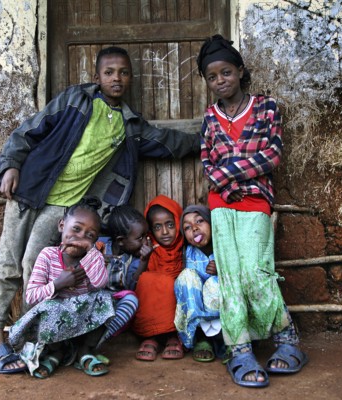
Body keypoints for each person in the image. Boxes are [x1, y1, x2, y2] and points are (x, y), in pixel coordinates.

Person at [0, 45, 200, 373]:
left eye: (124, 73)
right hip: (30, 188)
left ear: (130, 79)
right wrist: (10, 164)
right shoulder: (74, 101)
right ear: (96, 77)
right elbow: (30, 129)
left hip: (63, 209)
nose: (117, 78)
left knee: (32, 265)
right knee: (7, 262)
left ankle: (33, 340)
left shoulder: (129, 125)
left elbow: (169, 141)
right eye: (109, 72)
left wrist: (205, 138)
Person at [196, 35, 308, 388]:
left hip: (256, 202)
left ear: (240, 71)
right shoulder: (210, 118)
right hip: (221, 205)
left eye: (226, 72)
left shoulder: (266, 108)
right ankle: (239, 350)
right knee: (231, 276)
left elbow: (271, 155)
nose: (220, 81)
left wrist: (227, 176)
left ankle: (287, 340)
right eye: (212, 77)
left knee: (257, 273)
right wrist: (230, 179)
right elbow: (206, 162)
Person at [8, 196, 114, 378]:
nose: (81, 237)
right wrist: (58, 284)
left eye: (90, 235)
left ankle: (84, 351)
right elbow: (31, 296)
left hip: (81, 324)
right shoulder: (47, 256)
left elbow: (100, 283)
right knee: (48, 307)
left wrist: (91, 251)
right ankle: (56, 352)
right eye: (76, 229)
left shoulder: (92, 258)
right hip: (54, 327)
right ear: (61, 225)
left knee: (105, 297)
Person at [132, 195, 185, 361]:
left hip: (177, 318)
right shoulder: (149, 251)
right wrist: (144, 260)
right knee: (147, 280)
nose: (165, 232)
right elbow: (133, 282)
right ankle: (151, 336)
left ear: (178, 222)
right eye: (157, 227)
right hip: (152, 316)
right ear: (151, 230)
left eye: (170, 225)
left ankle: (173, 336)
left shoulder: (186, 247)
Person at [95, 204, 153, 348]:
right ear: (121, 240)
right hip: (94, 301)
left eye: (146, 236)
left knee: (131, 300)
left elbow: (131, 287)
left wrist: (143, 262)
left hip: (114, 305)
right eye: (140, 238)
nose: (146, 242)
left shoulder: (134, 260)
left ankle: (98, 342)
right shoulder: (99, 246)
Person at [174, 205, 223, 363]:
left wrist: (222, 270)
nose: (194, 228)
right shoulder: (186, 253)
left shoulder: (224, 249)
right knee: (186, 276)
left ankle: (224, 338)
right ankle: (201, 338)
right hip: (198, 309)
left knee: (214, 283)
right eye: (187, 227)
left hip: (221, 312)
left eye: (200, 221)